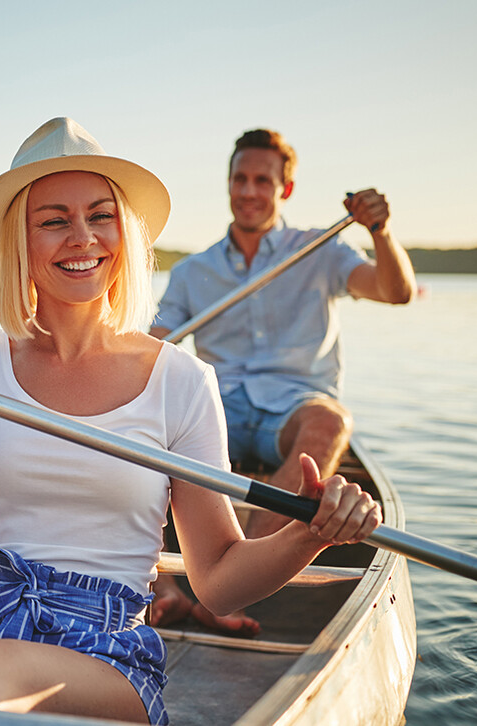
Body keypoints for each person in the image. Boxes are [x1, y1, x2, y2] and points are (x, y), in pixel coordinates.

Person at [0, 117, 381, 725]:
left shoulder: (182, 381)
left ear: (125, 235)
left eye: (99, 216)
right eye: (53, 221)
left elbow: (215, 579)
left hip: (104, 653)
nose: (82, 238)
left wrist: (311, 534)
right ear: (21, 246)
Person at [146, 128, 415, 635]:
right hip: (218, 407)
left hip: (292, 408)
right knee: (144, 415)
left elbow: (394, 291)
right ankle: (164, 589)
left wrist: (380, 232)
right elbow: (153, 349)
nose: (249, 191)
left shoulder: (321, 250)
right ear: (228, 185)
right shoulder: (193, 271)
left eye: (262, 181)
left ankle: (230, 579)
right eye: (240, 179)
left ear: (284, 189)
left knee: (331, 423)